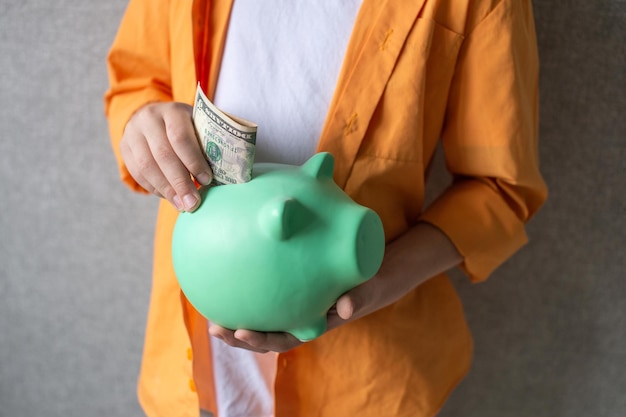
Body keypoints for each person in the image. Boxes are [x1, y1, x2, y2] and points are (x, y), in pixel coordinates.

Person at [104, 0, 547, 416]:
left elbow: (498, 188)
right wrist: (141, 122)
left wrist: (379, 282)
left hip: (367, 378)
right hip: (193, 368)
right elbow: (136, 84)